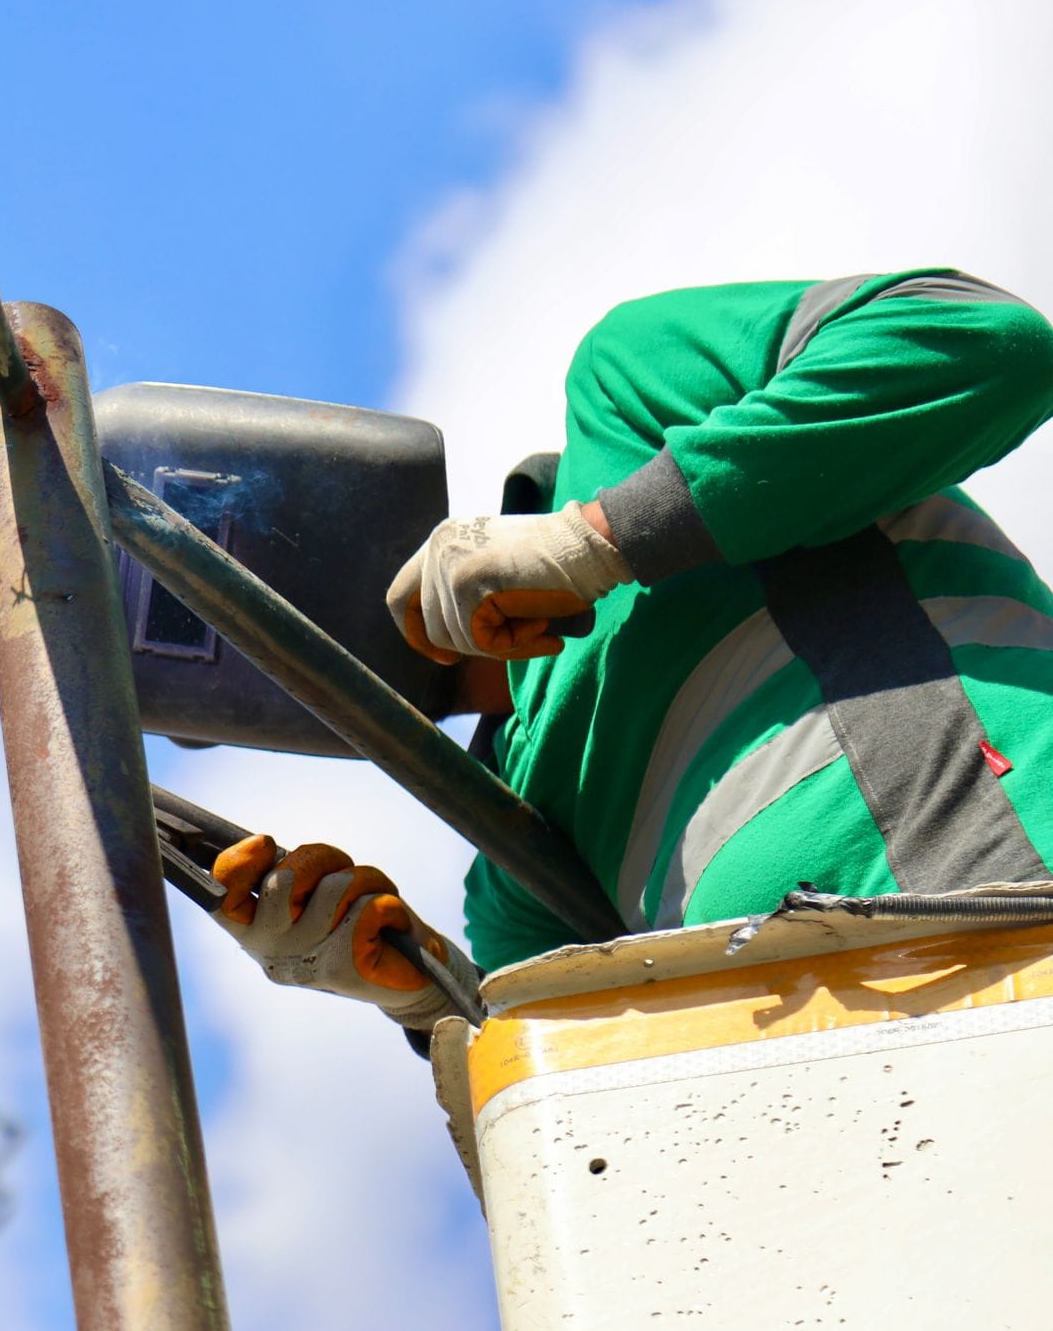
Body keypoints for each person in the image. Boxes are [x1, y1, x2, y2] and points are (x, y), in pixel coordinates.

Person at [210, 268, 1053, 1033]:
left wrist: (602, 540)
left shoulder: (627, 394)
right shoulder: (515, 857)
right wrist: (424, 1001)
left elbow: (984, 337)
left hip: (1013, 919)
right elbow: (585, 1151)